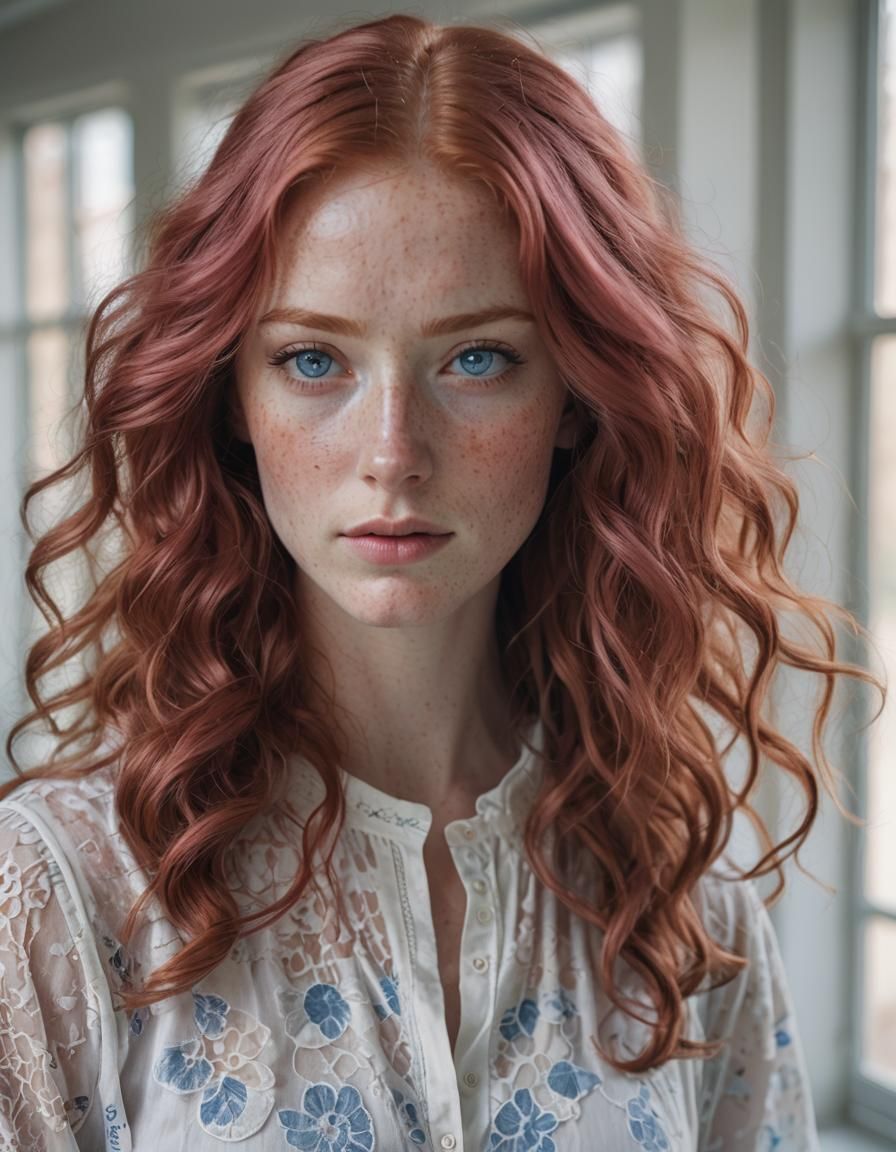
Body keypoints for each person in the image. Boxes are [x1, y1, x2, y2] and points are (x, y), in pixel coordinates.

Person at [0, 12, 883, 1151]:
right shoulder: (61, 890)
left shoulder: (679, 910)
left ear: (575, 398)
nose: (390, 450)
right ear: (231, 398)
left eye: (477, 358)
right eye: (311, 359)